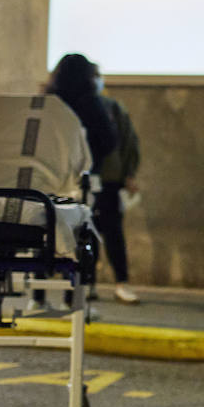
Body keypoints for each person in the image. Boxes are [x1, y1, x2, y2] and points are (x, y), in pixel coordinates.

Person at [37, 53, 118, 312]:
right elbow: (109, 141)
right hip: (82, 181)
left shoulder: (48, 102)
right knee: (82, 236)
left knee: (45, 232)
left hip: (48, 178)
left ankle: (37, 296)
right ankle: (74, 299)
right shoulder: (92, 104)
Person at [89, 62, 141, 305]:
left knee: (113, 233)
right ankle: (87, 283)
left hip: (109, 180)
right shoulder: (73, 107)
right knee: (87, 234)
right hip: (82, 181)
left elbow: (129, 141)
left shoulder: (111, 108)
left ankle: (122, 282)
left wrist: (129, 174)